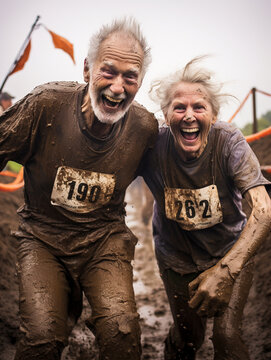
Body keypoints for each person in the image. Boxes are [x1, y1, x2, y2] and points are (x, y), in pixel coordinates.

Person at [0, 17, 158, 360]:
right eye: (109, 71)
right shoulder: (45, 106)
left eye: (130, 77)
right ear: (87, 69)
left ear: (140, 81)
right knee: (41, 338)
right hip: (42, 238)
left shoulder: (144, 128)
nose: (117, 87)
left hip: (104, 240)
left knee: (122, 334)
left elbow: (177, 174)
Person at [141, 58, 271, 360]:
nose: (189, 116)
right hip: (176, 259)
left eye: (198, 107)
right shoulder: (153, 145)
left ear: (213, 115)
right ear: (165, 114)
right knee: (189, 338)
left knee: (226, 335)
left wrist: (226, 270)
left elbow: (263, 210)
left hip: (230, 251)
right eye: (179, 107)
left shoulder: (229, 143)